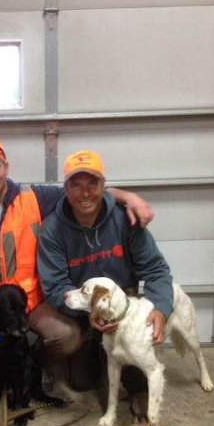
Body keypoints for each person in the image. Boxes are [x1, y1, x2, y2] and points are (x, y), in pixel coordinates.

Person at [0, 138, 155, 395]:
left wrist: (127, 196)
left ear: (6, 168)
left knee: (68, 336)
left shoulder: (35, 198)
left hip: (31, 302)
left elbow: (85, 193)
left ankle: (32, 363)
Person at [37, 149, 174, 388]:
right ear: (66, 189)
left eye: (93, 183)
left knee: (138, 380)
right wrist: (91, 314)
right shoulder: (52, 230)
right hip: (84, 312)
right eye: (76, 185)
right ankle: (90, 349)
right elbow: (56, 286)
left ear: (103, 185)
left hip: (125, 309)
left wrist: (160, 309)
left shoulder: (125, 219)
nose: (86, 193)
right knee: (82, 383)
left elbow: (156, 270)